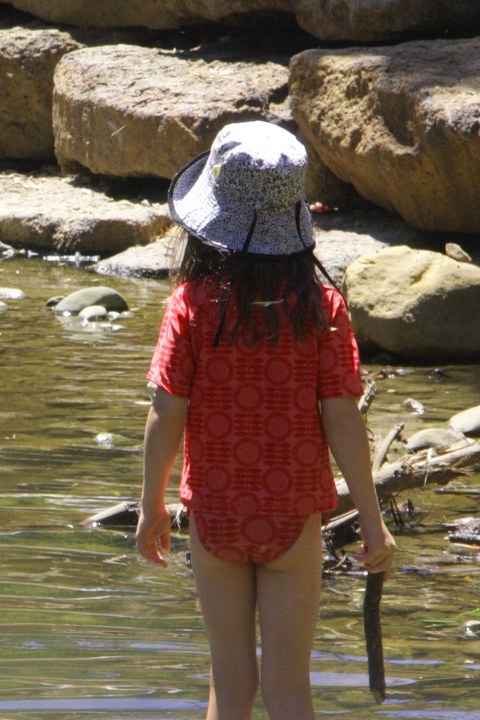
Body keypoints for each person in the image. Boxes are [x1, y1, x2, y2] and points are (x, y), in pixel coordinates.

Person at [135, 121, 397, 720]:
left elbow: (167, 410)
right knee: (288, 688)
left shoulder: (191, 305)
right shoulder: (321, 308)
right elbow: (342, 419)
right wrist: (372, 522)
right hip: (291, 516)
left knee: (229, 685)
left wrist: (152, 503)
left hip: (217, 515)